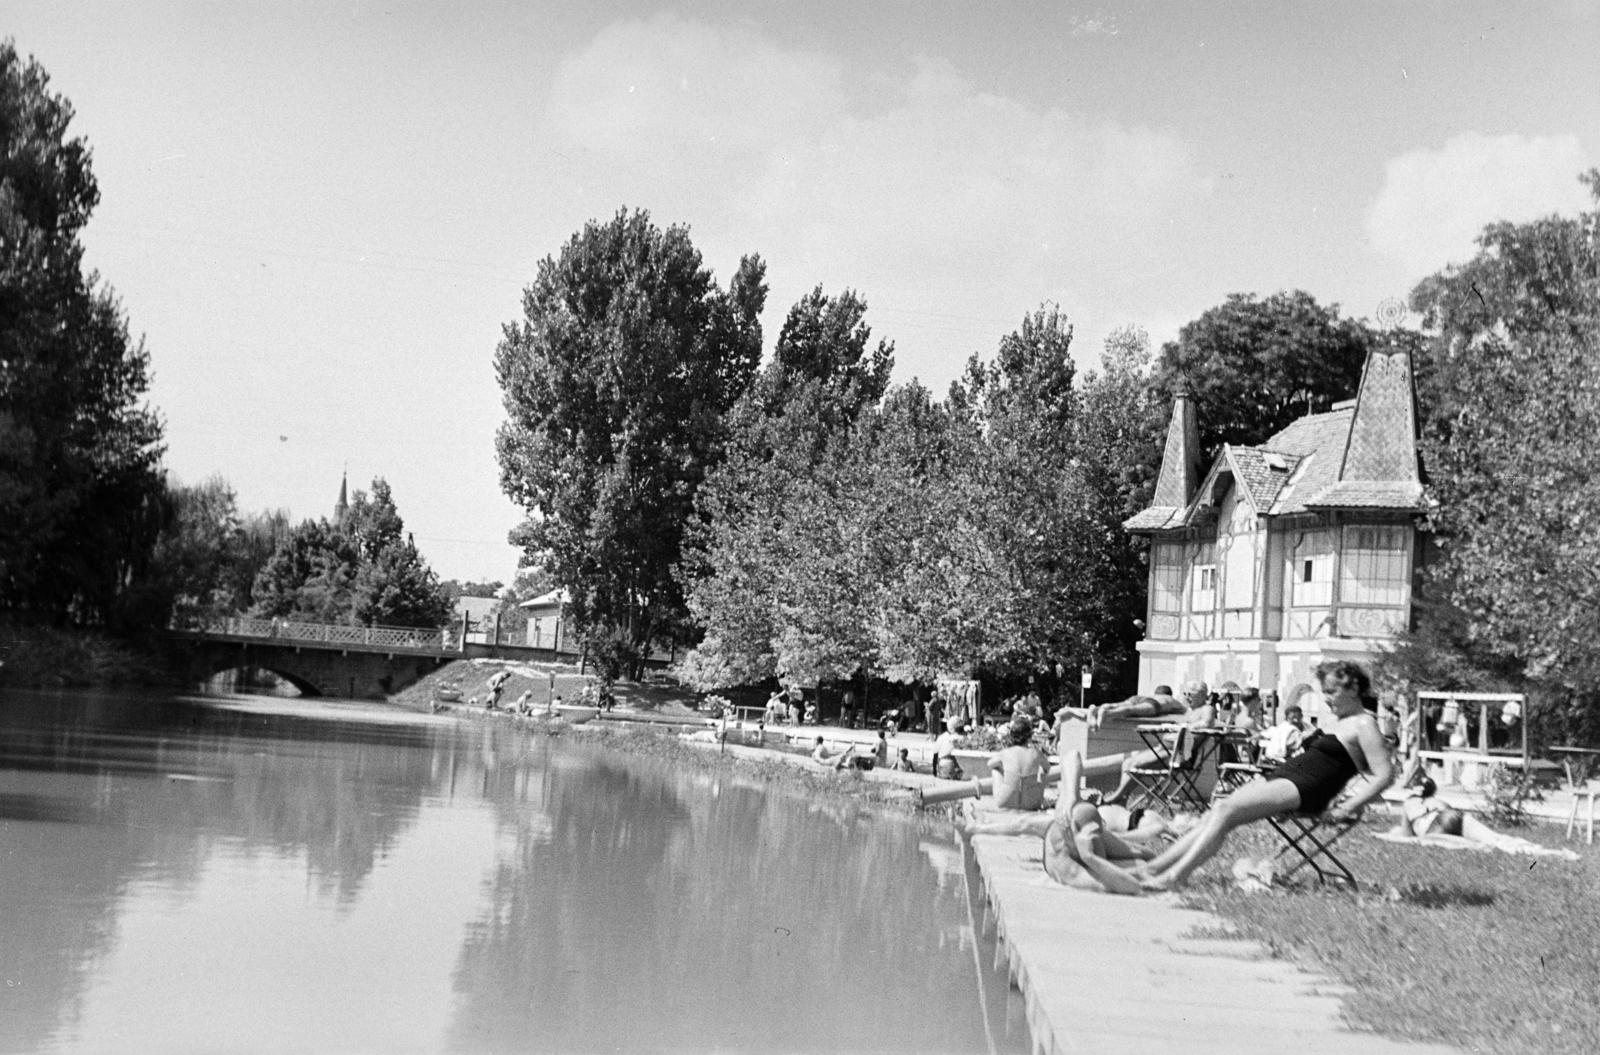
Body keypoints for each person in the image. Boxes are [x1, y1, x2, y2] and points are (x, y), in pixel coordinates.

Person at [1138, 660, 1395, 891]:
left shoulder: (1365, 723)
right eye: (1325, 692)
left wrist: (1349, 806)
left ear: (1353, 688)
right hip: (1288, 775)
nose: (1326, 699)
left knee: (1226, 811)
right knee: (1215, 812)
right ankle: (1153, 869)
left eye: (1332, 692)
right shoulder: (1339, 721)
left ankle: (1176, 876)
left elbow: (1385, 775)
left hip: (1308, 786)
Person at [1101, 681, 1216, 806]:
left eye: (1190, 694)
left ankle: (1116, 797)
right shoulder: (1189, 711)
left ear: (1202, 695)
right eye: (1185, 694)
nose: (1187, 697)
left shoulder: (1207, 709)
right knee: (1128, 763)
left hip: (1179, 755)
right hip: (1166, 749)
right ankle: (1123, 798)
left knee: (1134, 764)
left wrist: (1183, 727)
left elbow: (1207, 723)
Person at [987, 717, 1050, 811]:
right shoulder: (1036, 753)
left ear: (1011, 737)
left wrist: (1005, 769)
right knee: (1042, 771)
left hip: (1007, 800)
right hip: (1031, 802)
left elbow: (989, 764)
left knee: (996, 770)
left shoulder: (1005, 753)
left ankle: (1006, 790)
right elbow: (1047, 768)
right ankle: (1038, 796)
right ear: (1030, 736)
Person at [932, 714, 965, 780]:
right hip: (952, 766)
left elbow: (935, 754)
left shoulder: (942, 737)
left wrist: (934, 771)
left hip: (942, 766)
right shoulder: (960, 738)